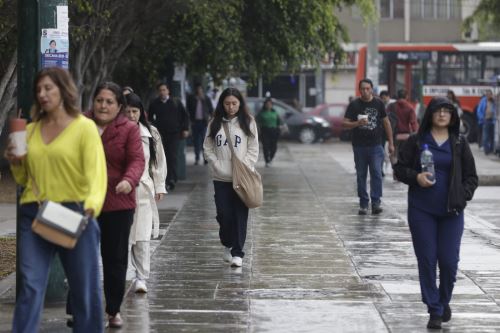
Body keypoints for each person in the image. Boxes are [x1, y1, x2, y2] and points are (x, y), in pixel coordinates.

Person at [4, 67, 107, 332]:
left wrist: (91, 207)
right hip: (35, 212)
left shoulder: (85, 128)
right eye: (39, 90)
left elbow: (97, 175)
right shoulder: (30, 130)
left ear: (64, 89)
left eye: (48, 88)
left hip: (77, 213)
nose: (42, 94)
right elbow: (25, 179)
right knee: (29, 284)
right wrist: (16, 162)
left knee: (84, 291)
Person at [393, 96, 478, 329]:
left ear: (452, 116)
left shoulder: (459, 143)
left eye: (446, 111)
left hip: (451, 212)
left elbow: (472, 177)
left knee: (449, 263)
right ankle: (435, 309)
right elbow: (399, 169)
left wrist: (463, 195)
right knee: (427, 260)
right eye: (438, 110)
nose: (442, 114)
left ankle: (443, 300)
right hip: (422, 211)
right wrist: (416, 177)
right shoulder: (417, 141)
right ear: (430, 114)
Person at [85, 82, 145, 328]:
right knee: (82, 258)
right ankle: (79, 308)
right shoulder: (81, 124)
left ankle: (113, 310)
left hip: (118, 202)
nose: (103, 106)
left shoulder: (129, 129)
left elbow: (137, 159)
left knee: (114, 259)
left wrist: (129, 181)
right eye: (100, 100)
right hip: (84, 202)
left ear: (119, 106)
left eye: (109, 102)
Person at [203, 88, 259, 268]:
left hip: (241, 176)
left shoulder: (248, 122)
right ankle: (227, 242)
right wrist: (215, 163)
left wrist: (245, 165)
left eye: (234, 103)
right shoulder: (214, 122)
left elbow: (253, 148)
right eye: (227, 103)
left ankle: (238, 252)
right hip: (220, 177)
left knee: (240, 215)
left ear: (240, 103)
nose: (231, 107)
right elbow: (207, 147)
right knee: (224, 214)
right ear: (222, 104)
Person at [124, 93, 167, 293]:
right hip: (120, 192)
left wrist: (159, 186)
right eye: (128, 112)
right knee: (123, 237)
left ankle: (141, 276)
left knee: (142, 237)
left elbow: (158, 162)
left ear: (141, 112)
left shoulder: (151, 133)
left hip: (143, 189)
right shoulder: (114, 132)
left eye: (135, 111)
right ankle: (125, 272)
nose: (132, 115)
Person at [343, 78, 395, 215]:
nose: (365, 91)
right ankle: (363, 203)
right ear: (359, 90)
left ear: (371, 89)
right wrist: (356, 124)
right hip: (359, 146)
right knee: (361, 175)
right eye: (363, 89)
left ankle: (376, 202)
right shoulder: (354, 105)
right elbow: (345, 123)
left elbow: (386, 123)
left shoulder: (378, 103)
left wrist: (391, 142)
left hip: (376, 146)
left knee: (377, 173)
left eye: (368, 88)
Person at [148, 82, 189, 190]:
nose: (162, 92)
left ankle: (171, 179)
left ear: (168, 91)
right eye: (160, 90)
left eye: (164, 90)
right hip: (160, 135)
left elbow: (185, 116)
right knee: (161, 157)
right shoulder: (154, 104)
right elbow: (150, 119)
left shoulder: (176, 103)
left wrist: (185, 129)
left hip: (174, 134)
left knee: (172, 156)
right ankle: (163, 179)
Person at [187, 84, 213, 165]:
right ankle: (197, 158)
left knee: (204, 141)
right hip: (195, 122)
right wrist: (190, 120)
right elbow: (188, 109)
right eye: (198, 90)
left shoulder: (206, 98)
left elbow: (211, 109)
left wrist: (210, 119)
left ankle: (205, 158)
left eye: (200, 90)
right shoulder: (192, 98)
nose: (199, 91)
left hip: (204, 122)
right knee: (196, 141)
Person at [256, 97, 281, 167]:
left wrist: (279, 127)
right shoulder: (261, 113)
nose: (268, 105)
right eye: (267, 104)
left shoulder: (275, 112)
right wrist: (258, 128)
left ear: (272, 105)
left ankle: (271, 158)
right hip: (265, 131)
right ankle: (267, 160)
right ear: (265, 105)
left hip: (274, 131)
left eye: (270, 104)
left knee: (274, 147)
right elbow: (256, 121)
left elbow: (279, 122)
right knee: (266, 146)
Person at [476, 89, 497, 155]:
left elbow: (496, 109)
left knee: (492, 136)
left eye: (489, 94)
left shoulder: (493, 101)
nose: (488, 95)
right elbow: (479, 110)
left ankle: (491, 149)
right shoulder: (483, 101)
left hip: (493, 120)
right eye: (487, 94)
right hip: (486, 120)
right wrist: (482, 118)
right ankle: (486, 150)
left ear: (491, 95)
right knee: (485, 136)